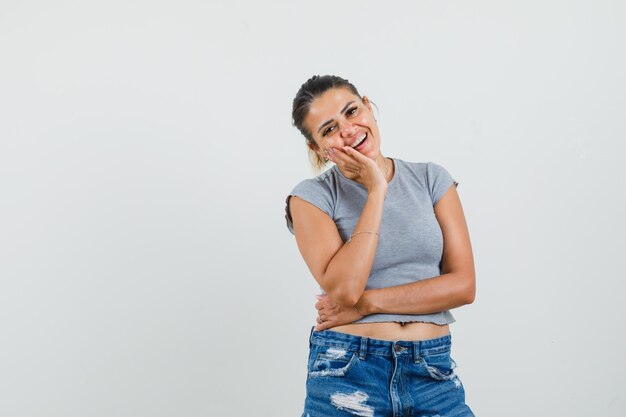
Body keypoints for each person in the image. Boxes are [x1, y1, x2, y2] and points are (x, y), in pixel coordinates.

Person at [285, 75, 476, 417]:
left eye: (352, 111)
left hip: (432, 373)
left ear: (369, 108)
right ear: (318, 148)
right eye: (329, 129)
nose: (347, 129)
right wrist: (376, 191)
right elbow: (345, 290)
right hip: (348, 372)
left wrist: (367, 304)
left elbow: (463, 286)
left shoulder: (431, 179)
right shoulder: (311, 198)